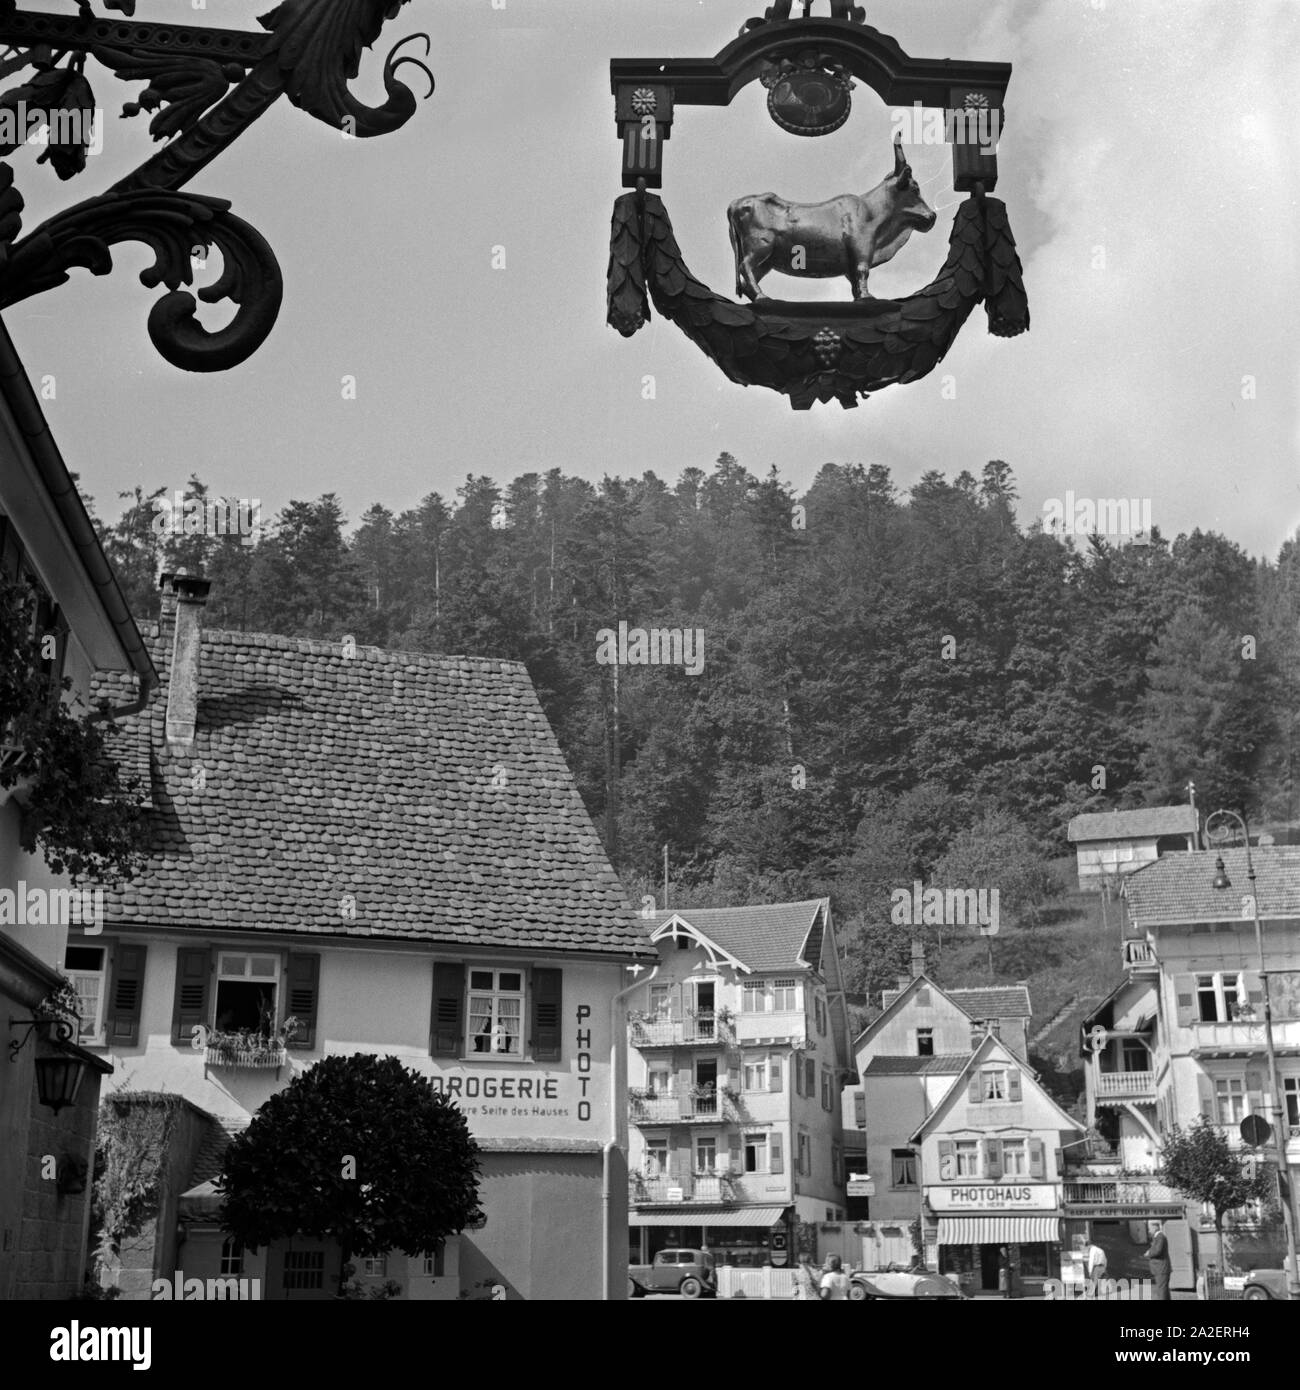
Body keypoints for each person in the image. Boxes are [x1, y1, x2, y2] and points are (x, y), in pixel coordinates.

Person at [1145, 1220, 1171, 1300]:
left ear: (1155, 1227)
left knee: (1161, 1291)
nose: (1149, 1231)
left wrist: (1148, 1253)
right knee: (1164, 1291)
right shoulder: (1158, 1237)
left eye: (1150, 1228)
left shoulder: (1160, 1237)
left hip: (1161, 1269)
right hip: (1160, 1269)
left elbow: (1157, 1251)